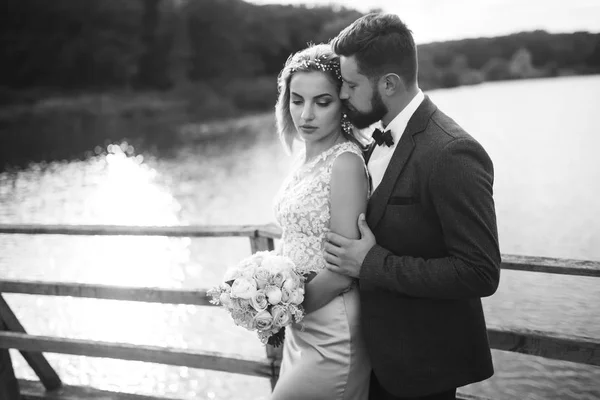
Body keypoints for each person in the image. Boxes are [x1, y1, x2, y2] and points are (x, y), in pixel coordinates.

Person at [324, 13, 501, 400]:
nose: (342, 95)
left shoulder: (452, 152)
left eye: (351, 85)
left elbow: (479, 272)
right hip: (366, 363)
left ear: (389, 84)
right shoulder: (369, 145)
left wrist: (370, 263)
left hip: (421, 371)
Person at [270, 43, 372, 400]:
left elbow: (346, 268)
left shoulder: (345, 163)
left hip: (331, 325)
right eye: (297, 100)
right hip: (301, 321)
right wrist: (270, 295)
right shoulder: (304, 156)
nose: (306, 115)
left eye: (322, 102)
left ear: (342, 103)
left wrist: (283, 309)